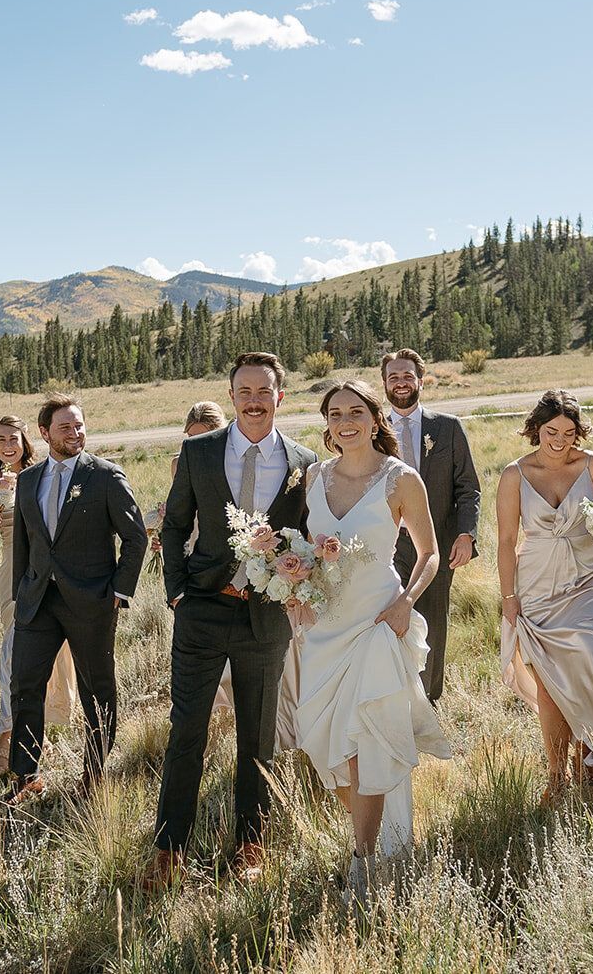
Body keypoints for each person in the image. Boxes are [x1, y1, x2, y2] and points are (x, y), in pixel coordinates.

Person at [144, 352, 319, 890]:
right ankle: (169, 847)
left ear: (279, 397)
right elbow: (173, 525)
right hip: (201, 608)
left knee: (257, 739)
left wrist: (297, 568)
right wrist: (176, 592)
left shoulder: (303, 463)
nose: (254, 400)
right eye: (244, 391)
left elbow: (306, 539)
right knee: (187, 733)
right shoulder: (198, 452)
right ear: (232, 396)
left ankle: (250, 843)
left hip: (264, 620)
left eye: (264, 391)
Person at [293, 380, 452, 902]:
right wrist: (295, 588)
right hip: (323, 630)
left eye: (355, 411)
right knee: (323, 744)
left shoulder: (400, 480)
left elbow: (429, 552)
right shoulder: (314, 476)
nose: (345, 422)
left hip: (376, 623)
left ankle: (363, 860)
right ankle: (373, 839)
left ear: (373, 416)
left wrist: (407, 601)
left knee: (366, 748)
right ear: (327, 422)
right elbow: (310, 552)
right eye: (335, 413)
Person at [6, 396, 147, 803]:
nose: (76, 433)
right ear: (44, 432)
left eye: (80, 425)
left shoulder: (104, 476)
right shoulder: (29, 480)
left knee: (96, 690)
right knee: (24, 685)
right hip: (37, 601)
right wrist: (21, 591)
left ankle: (94, 774)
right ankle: (26, 774)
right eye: (66, 427)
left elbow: (136, 537)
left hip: (91, 602)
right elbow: (25, 542)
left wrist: (119, 593)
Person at [496, 390, 593, 800]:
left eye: (569, 432)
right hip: (536, 587)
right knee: (550, 685)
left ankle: (591, 761)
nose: (560, 440)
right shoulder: (515, 474)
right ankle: (556, 772)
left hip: (590, 581)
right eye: (552, 431)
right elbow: (506, 540)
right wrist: (509, 598)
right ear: (537, 429)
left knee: (589, 665)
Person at [0, 415, 77, 779]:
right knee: (16, 651)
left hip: (43, 574)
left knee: (24, 654)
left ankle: (8, 735)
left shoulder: (42, 475)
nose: (6, 446)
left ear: (25, 440)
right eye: (0, 440)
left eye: (12, 438)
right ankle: (25, 730)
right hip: (9, 574)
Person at [381, 349, 481, 703]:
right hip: (387, 543)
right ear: (385, 384)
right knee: (387, 620)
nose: (401, 383)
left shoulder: (448, 427)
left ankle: (429, 701)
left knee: (433, 623)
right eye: (394, 377)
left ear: (421, 380)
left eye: (407, 376)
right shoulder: (373, 430)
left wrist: (466, 534)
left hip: (436, 542)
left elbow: (468, 487)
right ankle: (393, 699)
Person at [162, 403, 238, 714]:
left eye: (204, 436)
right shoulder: (180, 462)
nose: (196, 443)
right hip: (196, 550)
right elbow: (179, 514)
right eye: (190, 437)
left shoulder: (235, 458)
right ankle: (214, 712)